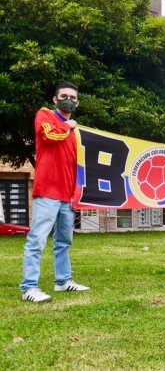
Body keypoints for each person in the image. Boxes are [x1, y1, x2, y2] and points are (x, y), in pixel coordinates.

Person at [20, 82, 90, 302]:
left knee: (64, 241)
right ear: (55, 99)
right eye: (64, 95)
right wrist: (68, 126)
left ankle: (63, 281)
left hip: (67, 194)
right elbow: (50, 136)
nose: (68, 99)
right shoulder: (46, 116)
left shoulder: (75, 132)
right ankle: (29, 287)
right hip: (47, 191)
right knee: (37, 240)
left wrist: (76, 192)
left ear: (77, 102)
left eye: (72, 97)